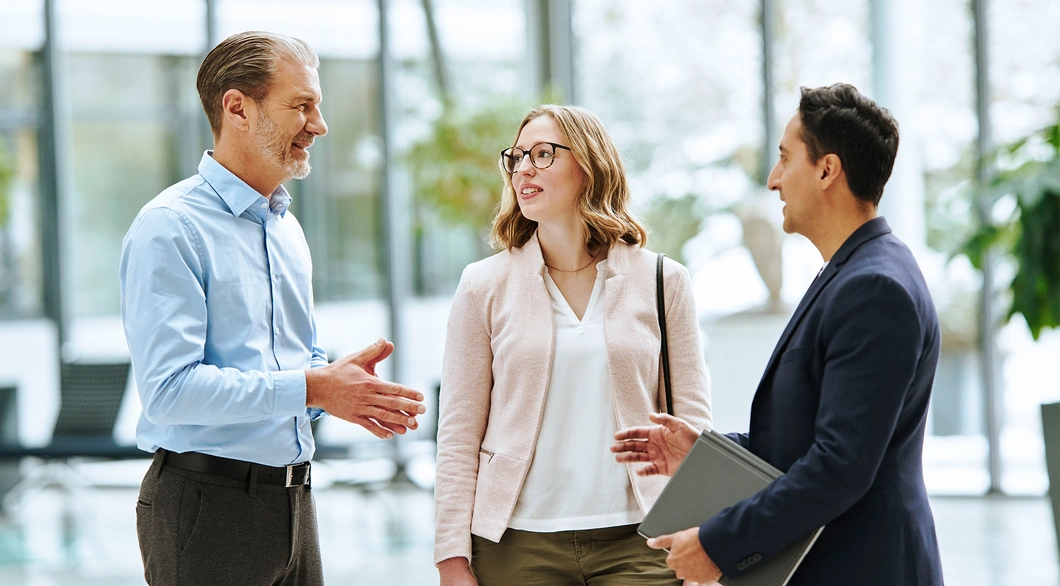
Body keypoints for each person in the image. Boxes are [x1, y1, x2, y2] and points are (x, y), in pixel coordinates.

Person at [119, 31, 426, 586]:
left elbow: (288, 366)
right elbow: (169, 393)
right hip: (206, 508)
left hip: (293, 504)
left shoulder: (285, 227)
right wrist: (312, 387)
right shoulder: (171, 227)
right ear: (237, 107)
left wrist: (337, 391)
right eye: (301, 105)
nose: (320, 125)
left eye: (319, 106)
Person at [613, 84, 945, 586]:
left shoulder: (874, 288)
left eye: (785, 159)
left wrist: (717, 544)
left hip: (865, 566)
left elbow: (839, 467)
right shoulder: (853, 272)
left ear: (827, 170)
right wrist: (704, 454)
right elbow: (805, 437)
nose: (773, 181)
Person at [434, 105, 713, 586]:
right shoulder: (483, 285)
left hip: (642, 540)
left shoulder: (664, 281)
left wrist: (705, 537)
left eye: (543, 154)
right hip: (515, 544)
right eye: (517, 157)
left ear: (590, 165)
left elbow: (692, 422)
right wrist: (451, 559)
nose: (524, 168)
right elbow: (458, 435)